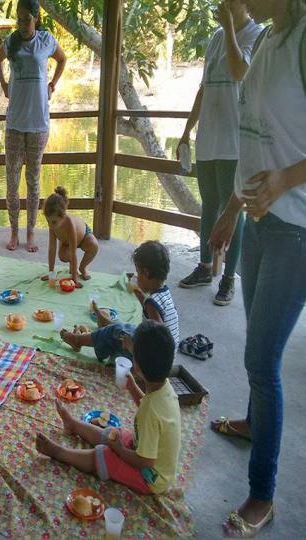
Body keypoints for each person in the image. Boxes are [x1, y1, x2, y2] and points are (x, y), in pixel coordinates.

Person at [208, 1, 306, 536]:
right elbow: (251, 134)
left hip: (297, 229)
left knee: (262, 358)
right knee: (255, 344)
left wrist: (285, 180)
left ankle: (263, 494)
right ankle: (252, 421)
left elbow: (279, 162)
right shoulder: (269, 38)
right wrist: (229, 213)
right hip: (257, 222)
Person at [177, 0, 264, 306]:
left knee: (232, 209)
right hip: (208, 138)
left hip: (234, 140)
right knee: (209, 204)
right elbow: (203, 87)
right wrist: (187, 131)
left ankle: (228, 278)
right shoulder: (215, 38)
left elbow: (240, 71)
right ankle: (204, 266)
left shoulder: (256, 33)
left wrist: (229, 26)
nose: (224, 4)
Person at [37, 321, 181, 496]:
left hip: (151, 477)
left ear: (137, 366)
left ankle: (60, 453)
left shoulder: (151, 410)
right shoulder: (164, 388)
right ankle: (73, 425)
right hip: (143, 448)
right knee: (114, 433)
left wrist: (119, 450)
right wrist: (132, 386)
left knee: (105, 455)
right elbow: (147, 408)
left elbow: (145, 462)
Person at [0, 0, 67, 253]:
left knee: (33, 181)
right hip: (15, 122)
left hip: (38, 123)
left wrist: (52, 86)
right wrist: (4, 85)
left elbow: (62, 59)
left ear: (36, 17)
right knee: (12, 180)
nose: (23, 24)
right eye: (19, 19)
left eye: (27, 19)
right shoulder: (11, 42)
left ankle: (31, 233)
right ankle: (14, 232)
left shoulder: (45, 40)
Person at [60, 240, 179, 362]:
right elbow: (149, 311)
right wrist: (136, 291)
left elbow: (158, 343)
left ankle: (78, 340)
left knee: (116, 332)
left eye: (138, 273)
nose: (137, 277)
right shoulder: (163, 294)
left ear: (146, 272)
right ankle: (106, 324)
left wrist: (131, 346)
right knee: (127, 328)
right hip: (163, 359)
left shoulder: (152, 305)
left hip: (151, 363)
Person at [41, 186, 99, 287]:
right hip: (66, 242)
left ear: (62, 217)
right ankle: (73, 266)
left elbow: (73, 251)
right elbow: (52, 248)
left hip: (83, 237)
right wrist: (51, 273)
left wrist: (74, 280)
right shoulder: (52, 225)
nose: (50, 225)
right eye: (48, 221)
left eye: (53, 222)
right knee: (62, 256)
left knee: (94, 246)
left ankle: (82, 268)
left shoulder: (69, 224)